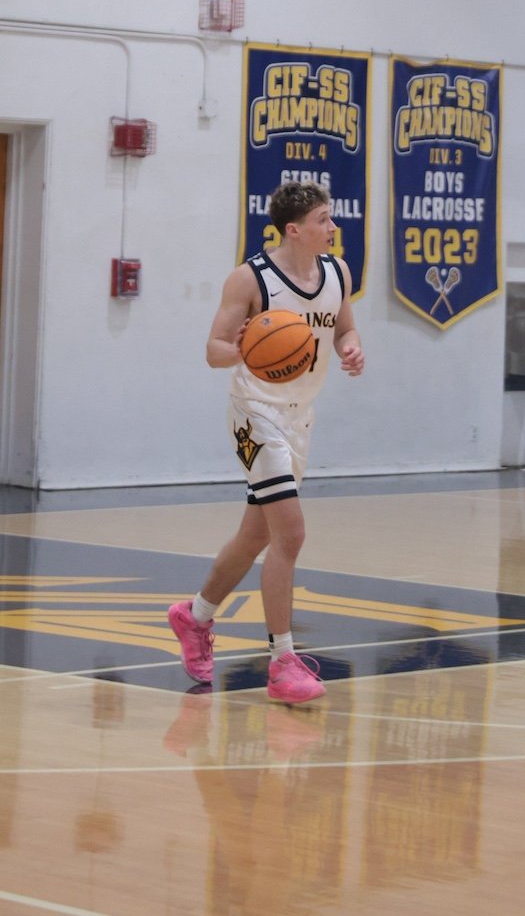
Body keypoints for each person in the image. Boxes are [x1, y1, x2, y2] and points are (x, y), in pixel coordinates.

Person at [168, 180, 364, 703]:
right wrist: (248, 346)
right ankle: (282, 661)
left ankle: (196, 616)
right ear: (295, 229)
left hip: (301, 418)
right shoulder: (249, 278)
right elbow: (213, 350)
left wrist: (351, 349)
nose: (334, 227)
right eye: (325, 219)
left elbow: (345, 327)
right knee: (291, 534)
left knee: (257, 536)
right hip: (255, 413)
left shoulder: (337, 273)